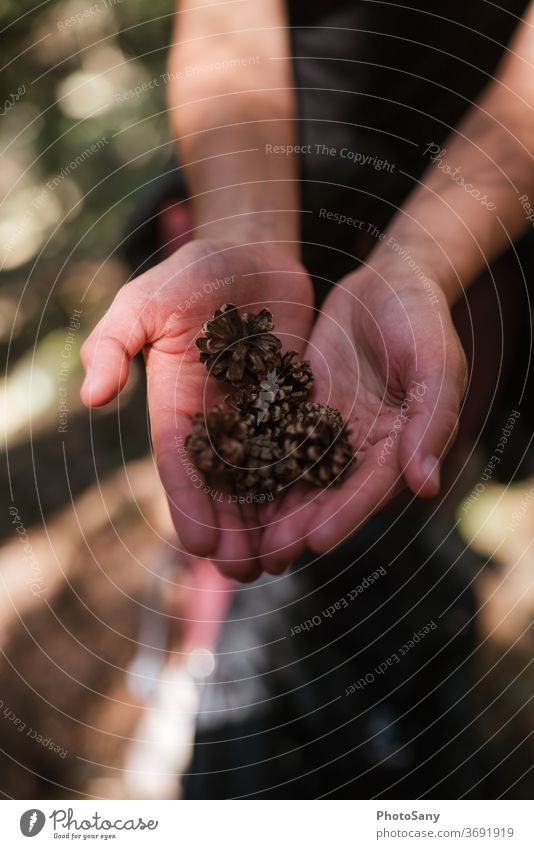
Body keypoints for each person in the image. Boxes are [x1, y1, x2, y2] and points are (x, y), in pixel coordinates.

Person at [81, 1, 534, 796]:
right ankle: (203, 665)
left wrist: (422, 261)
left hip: (473, 218)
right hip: (258, 170)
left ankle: (390, 691)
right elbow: (227, 17)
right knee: (236, 534)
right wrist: (247, 232)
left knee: (396, 484)